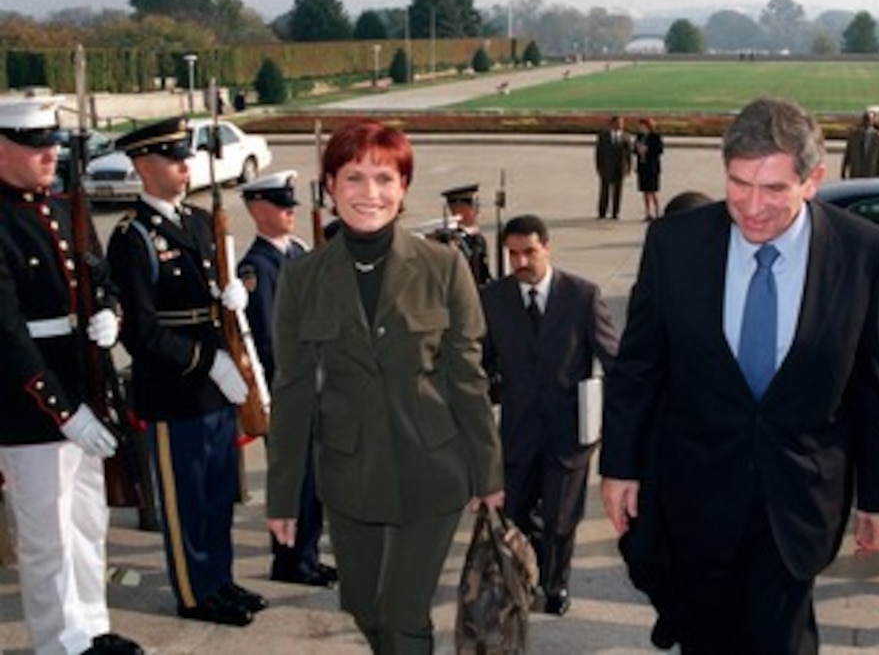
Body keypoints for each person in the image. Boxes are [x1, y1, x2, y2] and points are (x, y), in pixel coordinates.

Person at [599, 97, 879, 654]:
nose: (752, 207)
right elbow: (638, 369)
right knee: (705, 639)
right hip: (696, 490)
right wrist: (619, 466)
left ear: (813, 180)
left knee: (783, 641)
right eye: (740, 184)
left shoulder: (865, 253)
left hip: (799, 498)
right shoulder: (675, 245)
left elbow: (875, 388)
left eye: (774, 190)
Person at [265, 119, 504, 654]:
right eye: (353, 178)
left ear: (403, 189)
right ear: (329, 185)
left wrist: (488, 473)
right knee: (364, 610)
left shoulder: (444, 267)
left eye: (384, 178)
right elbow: (293, 390)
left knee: (403, 615)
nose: (369, 194)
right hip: (351, 473)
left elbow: (468, 376)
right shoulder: (303, 277)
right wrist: (282, 496)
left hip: (433, 468)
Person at [106, 117, 267, 628]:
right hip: (175, 388)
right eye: (173, 158)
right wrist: (209, 361)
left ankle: (219, 578)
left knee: (219, 490)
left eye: (185, 156)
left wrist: (239, 287)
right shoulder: (133, 238)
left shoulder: (197, 221)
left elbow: (218, 290)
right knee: (186, 498)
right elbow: (143, 331)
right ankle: (194, 593)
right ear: (143, 166)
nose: (185, 165)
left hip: (217, 385)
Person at [0, 97, 143, 654]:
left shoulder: (63, 209)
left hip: (84, 382)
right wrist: (63, 411)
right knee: (47, 536)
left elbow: (99, 275)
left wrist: (110, 310)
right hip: (29, 406)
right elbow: (6, 335)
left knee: (87, 520)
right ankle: (60, 642)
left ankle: (91, 627)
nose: (50, 154)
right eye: (36, 145)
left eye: (53, 144)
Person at [480, 214, 619, 616]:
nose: (521, 262)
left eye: (529, 252)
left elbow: (614, 361)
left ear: (547, 248)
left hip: (568, 433)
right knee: (516, 515)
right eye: (513, 254)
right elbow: (481, 362)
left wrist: (617, 420)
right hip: (518, 432)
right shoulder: (493, 298)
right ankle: (518, 579)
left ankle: (555, 585)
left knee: (560, 519)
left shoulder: (582, 296)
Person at [617, 189, 712, 651]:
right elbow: (632, 371)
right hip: (659, 447)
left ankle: (690, 617)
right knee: (642, 553)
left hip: (714, 452)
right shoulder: (655, 283)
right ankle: (673, 608)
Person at [236, 171, 338, 589]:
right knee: (294, 482)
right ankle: (290, 561)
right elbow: (267, 335)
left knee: (313, 480)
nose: (290, 212)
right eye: (281, 205)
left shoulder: (297, 251)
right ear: (259, 211)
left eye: (292, 205)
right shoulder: (257, 266)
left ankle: (308, 554)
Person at [441, 183, 492, 286]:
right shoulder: (447, 240)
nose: (478, 210)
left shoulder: (478, 239)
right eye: (473, 205)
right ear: (457, 209)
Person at [594, 115, 633, 220]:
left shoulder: (626, 137)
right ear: (612, 124)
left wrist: (629, 167)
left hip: (620, 168)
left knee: (618, 192)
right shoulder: (603, 136)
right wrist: (598, 166)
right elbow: (599, 153)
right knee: (604, 191)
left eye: (622, 123)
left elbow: (629, 154)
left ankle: (615, 213)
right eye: (618, 123)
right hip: (607, 167)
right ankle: (602, 212)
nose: (621, 125)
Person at [840, 106, 879, 178]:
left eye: (868, 120)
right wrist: (843, 172)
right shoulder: (853, 135)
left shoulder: (878, 137)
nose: (866, 122)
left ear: (872, 122)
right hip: (856, 173)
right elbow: (847, 154)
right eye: (865, 120)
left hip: (870, 174)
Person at [634, 117, 665, 220]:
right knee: (645, 191)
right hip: (642, 166)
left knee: (652, 190)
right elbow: (635, 150)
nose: (641, 128)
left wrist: (647, 150)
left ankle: (657, 211)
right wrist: (637, 149)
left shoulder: (655, 136)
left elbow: (660, 150)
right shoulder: (639, 136)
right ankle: (647, 212)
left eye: (642, 126)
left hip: (652, 167)